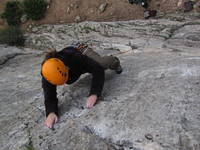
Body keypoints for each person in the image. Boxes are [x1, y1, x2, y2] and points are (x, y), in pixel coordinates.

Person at [41, 43, 122, 128]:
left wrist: (94, 93)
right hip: (73, 64)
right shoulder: (47, 72)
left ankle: (114, 60)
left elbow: (97, 68)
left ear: (66, 67)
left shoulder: (74, 58)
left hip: (81, 50)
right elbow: (49, 94)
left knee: (101, 64)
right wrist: (51, 112)